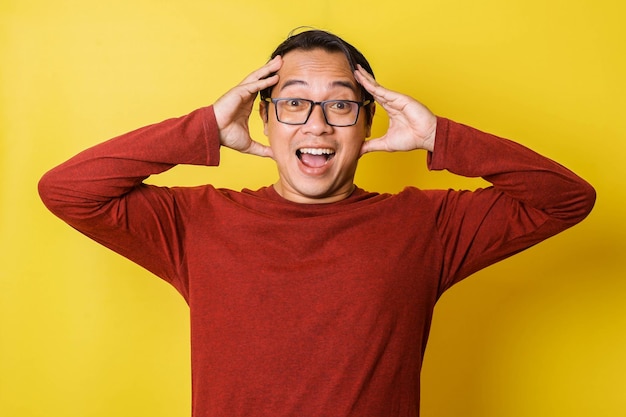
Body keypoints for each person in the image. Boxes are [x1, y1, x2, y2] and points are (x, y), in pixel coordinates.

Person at [38, 29, 595, 417]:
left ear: (368, 121)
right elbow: (67, 191)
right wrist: (205, 127)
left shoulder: (427, 225)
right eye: (294, 103)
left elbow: (566, 200)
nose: (317, 124)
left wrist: (437, 137)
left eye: (341, 105)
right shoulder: (197, 222)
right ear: (264, 117)